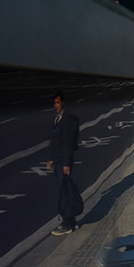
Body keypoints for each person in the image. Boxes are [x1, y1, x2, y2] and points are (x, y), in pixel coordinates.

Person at [46, 90, 80, 235]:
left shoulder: (68, 120)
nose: (56, 105)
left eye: (58, 102)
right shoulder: (58, 119)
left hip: (64, 162)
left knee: (64, 193)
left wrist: (66, 163)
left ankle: (67, 223)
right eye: (54, 103)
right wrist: (52, 158)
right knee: (65, 190)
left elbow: (68, 143)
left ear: (63, 103)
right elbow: (56, 142)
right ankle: (71, 221)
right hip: (59, 160)